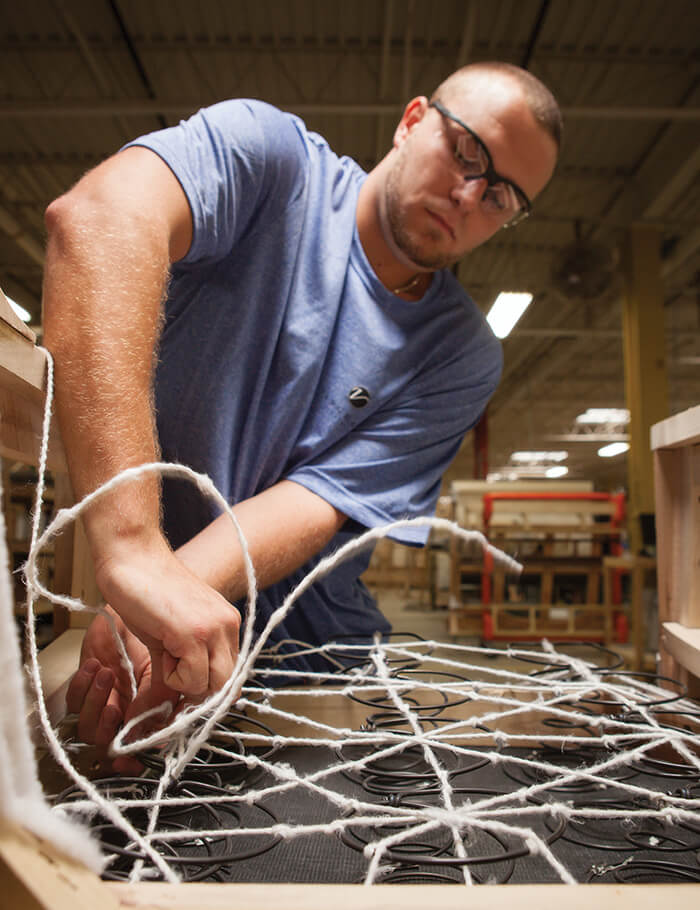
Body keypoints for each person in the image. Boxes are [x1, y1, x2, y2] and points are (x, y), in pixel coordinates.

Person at [42, 62, 561, 761]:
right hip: (156, 613)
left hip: (316, 673)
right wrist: (131, 552)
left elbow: (311, 502)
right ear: (412, 121)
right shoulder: (269, 162)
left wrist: (157, 608)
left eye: (501, 195)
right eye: (467, 151)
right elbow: (100, 219)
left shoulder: (461, 353)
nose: (470, 195)